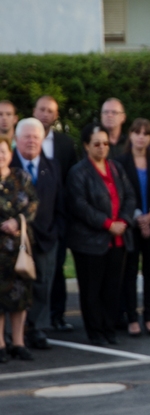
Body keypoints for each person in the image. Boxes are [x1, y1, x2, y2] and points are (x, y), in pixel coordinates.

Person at [66, 125, 135, 346]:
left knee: (112, 288)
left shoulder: (115, 168)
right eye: (97, 143)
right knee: (91, 290)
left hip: (117, 240)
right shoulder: (78, 172)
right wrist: (107, 224)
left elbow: (130, 196)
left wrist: (123, 221)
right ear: (86, 146)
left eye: (106, 143)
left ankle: (109, 328)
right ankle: (95, 331)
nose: (102, 147)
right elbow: (79, 205)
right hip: (89, 242)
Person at [10, 118, 64, 351]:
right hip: (13, 241)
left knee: (43, 283)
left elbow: (60, 203)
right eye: (27, 136)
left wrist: (57, 231)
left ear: (43, 140)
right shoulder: (6, 164)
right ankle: (12, 333)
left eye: (36, 137)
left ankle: (36, 328)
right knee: (13, 287)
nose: (31, 141)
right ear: (16, 140)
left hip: (46, 236)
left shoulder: (53, 166)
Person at [32, 95, 77, 333]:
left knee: (56, 270)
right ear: (34, 111)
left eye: (50, 110)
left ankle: (57, 316)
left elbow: (70, 182)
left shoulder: (65, 144)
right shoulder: (23, 139)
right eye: (42, 109)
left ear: (56, 115)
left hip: (55, 218)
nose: (45, 114)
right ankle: (30, 324)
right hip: (28, 220)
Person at [115, 118, 150, 337]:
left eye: (146, 133)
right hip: (130, 225)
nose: (141, 137)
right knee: (130, 273)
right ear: (130, 135)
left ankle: (149, 318)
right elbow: (121, 193)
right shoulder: (121, 161)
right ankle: (132, 318)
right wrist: (138, 218)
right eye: (137, 132)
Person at [0, 137, 38, 362]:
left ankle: (18, 342)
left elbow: (33, 204)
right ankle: (1, 345)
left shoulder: (21, 177)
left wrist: (17, 221)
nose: (1, 155)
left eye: (3, 151)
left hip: (19, 250)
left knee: (20, 298)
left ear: (10, 153)